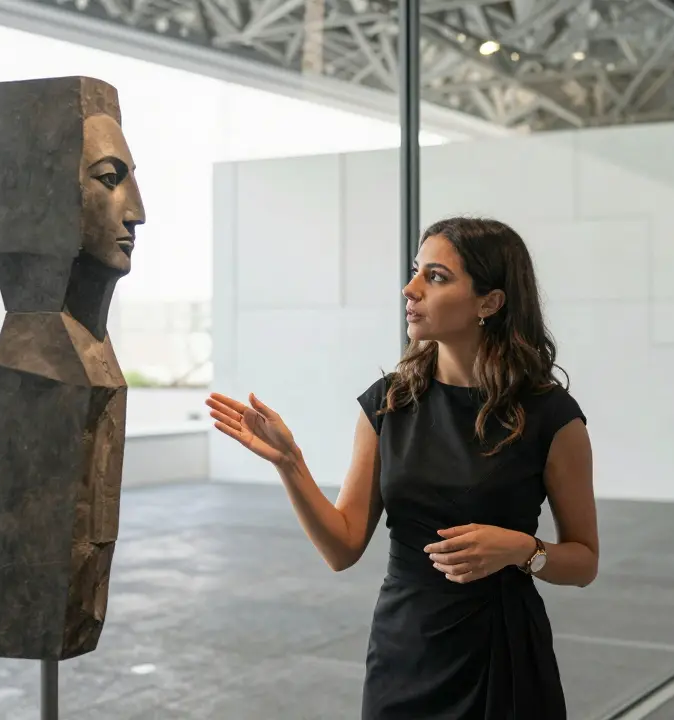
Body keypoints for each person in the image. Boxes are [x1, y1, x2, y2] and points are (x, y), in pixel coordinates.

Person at [207, 216, 599, 719]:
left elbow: (584, 562)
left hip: (500, 655)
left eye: (435, 277)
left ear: (490, 302)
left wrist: (524, 549)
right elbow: (343, 547)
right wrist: (290, 462)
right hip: (405, 651)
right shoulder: (388, 403)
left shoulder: (551, 416)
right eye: (416, 272)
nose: (409, 289)